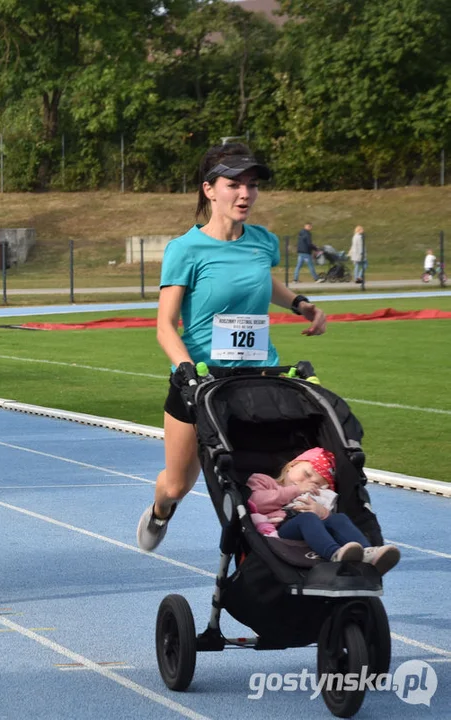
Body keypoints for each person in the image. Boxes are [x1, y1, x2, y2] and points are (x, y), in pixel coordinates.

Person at [137, 143, 328, 553]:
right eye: (233, 185)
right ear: (209, 190)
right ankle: (160, 509)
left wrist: (298, 303)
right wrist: (187, 369)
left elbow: (259, 279)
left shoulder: (263, 242)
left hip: (260, 378)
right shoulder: (186, 250)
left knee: (266, 477)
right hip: (202, 384)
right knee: (177, 483)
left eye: (252, 185)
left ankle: (272, 553)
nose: (245, 194)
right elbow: (165, 325)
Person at [246, 447, 400, 574]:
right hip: (278, 531)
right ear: (292, 465)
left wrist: (323, 513)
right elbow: (256, 502)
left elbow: (328, 523)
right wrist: (295, 490)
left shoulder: (315, 496)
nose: (308, 483)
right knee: (307, 518)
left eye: (317, 485)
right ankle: (335, 553)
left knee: (338, 519)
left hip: (310, 536)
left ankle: (369, 554)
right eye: (306, 474)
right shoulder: (264, 481)